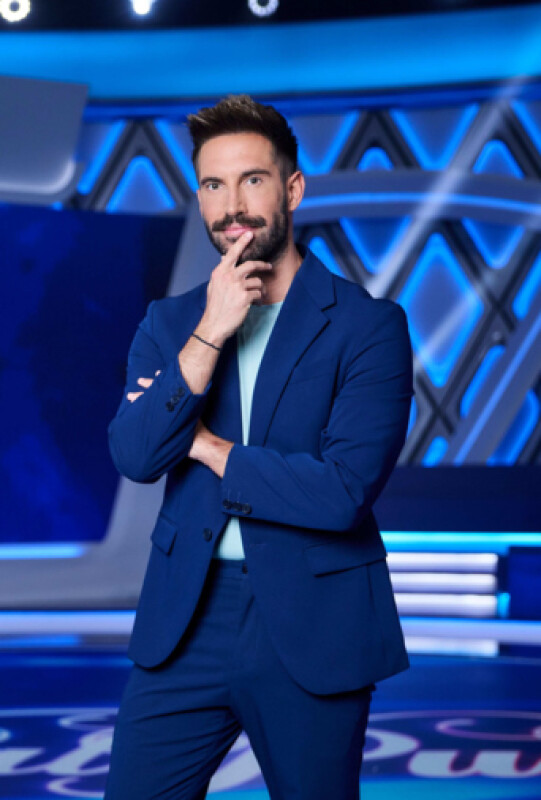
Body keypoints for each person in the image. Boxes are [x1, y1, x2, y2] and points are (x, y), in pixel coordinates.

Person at [105, 94, 413, 800]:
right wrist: (211, 331)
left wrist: (207, 448)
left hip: (313, 620)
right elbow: (136, 455)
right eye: (213, 184)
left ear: (292, 189)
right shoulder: (171, 323)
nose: (232, 206)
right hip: (185, 619)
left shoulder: (368, 327)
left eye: (252, 180)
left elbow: (339, 493)